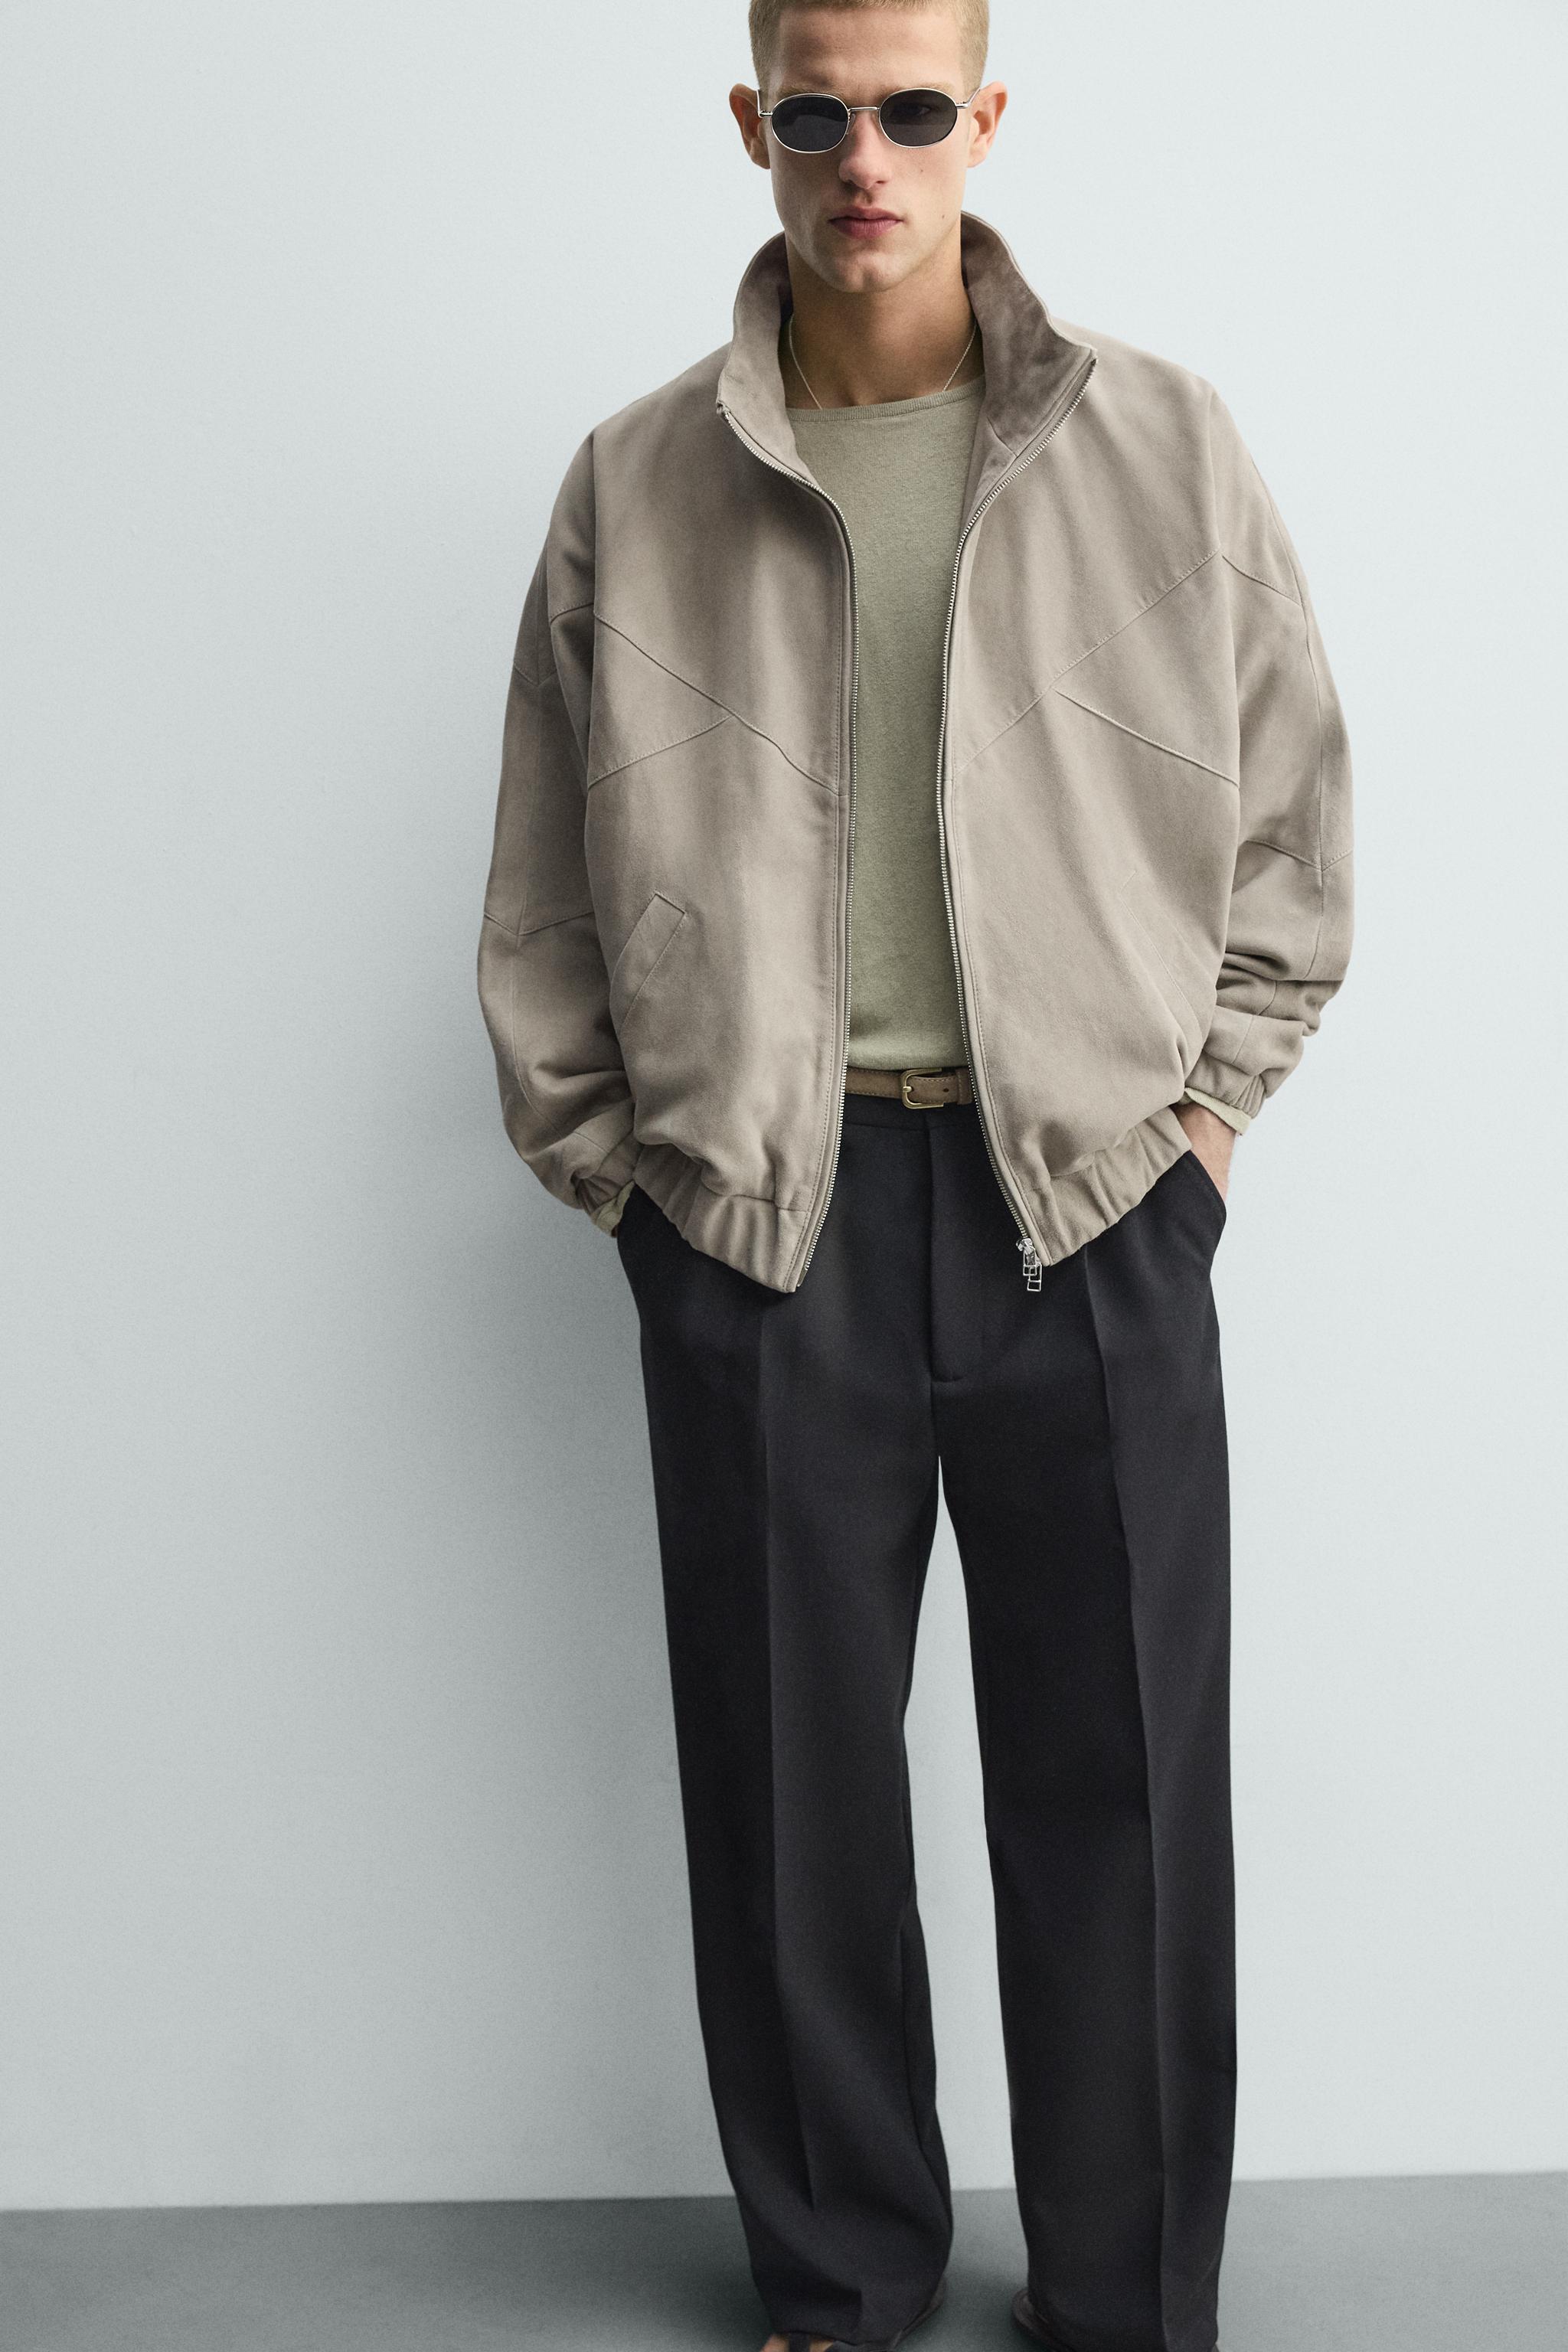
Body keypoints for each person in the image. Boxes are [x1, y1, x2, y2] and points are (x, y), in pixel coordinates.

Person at [477, 2, 1353, 2347]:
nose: (862, 155)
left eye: (910, 108)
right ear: (750, 120)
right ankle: (842, 2283)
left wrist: (1200, 1136)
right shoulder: (638, 478)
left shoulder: (1159, 444)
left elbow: (1290, 818)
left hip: (1092, 1207)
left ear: (985, 118)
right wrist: (632, 1191)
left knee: (1123, 1784)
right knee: (793, 1809)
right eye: (815, 109)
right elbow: (545, 882)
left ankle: (1127, 2296)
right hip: (767, 1221)